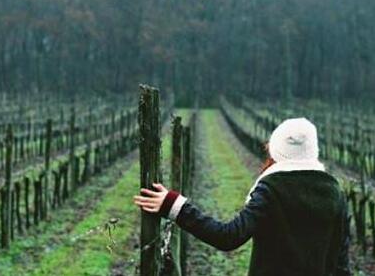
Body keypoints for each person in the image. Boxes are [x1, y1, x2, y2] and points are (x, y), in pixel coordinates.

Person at [133, 117, 351, 276]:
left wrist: (175, 206)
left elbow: (229, 236)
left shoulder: (271, 189)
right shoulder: (335, 193)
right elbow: (341, 267)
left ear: (275, 151)